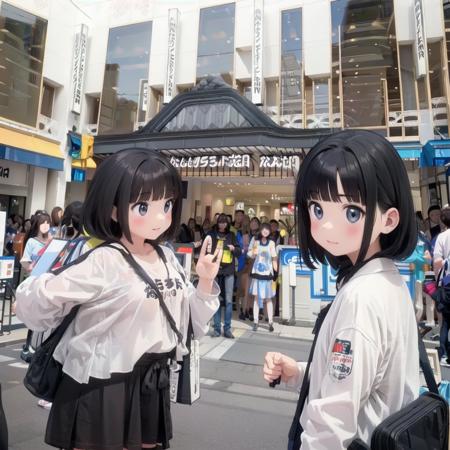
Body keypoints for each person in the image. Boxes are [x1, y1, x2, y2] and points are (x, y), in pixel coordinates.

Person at [15, 149, 221, 450]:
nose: (160, 217)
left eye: (166, 204)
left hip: (152, 383)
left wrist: (205, 280)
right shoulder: (104, 260)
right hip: (102, 384)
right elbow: (35, 303)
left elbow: (191, 322)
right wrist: (36, 290)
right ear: (113, 209)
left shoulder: (166, 257)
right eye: (142, 206)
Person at [263, 130, 419, 449]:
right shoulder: (386, 279)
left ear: (389, 220)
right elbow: (360, 379)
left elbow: (331, 424)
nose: (328, 226)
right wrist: (297, 373)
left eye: (351, 212)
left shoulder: (362, 296)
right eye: (318, 210)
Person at [207, 213, 241, 339]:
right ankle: (216, 328)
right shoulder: (211, 234)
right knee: (216, 300)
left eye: (224, 222)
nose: (222, 224)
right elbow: (205, 251)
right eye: (220, 222)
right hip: (215, 271)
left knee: (228, 300)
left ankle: (227, 328)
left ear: (227, 223)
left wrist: (233, 248)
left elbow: (239, 251)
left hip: (229, 271)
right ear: (217, 223)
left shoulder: (231, 235)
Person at [247, 223, 278, 332]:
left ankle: (270, 322)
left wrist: (275, 273)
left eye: (267, 229)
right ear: (260, 230)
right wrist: (253, 253)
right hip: (257, 273)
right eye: (263, 229)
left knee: (268, 299)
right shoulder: (256, 242)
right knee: (256, 298)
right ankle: (256, 321)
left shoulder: (272, 243)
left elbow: (274, 258)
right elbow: (250, 255)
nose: (265, 231)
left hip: (267, 274)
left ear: (269, 231)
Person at [432, 206, 450, 365]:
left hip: (447, 283)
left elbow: (437, 262)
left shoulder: (442, 237)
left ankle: (444, 354)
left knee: (445, 321)